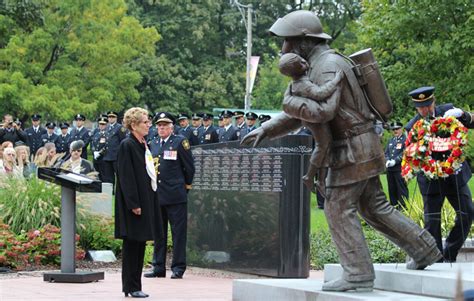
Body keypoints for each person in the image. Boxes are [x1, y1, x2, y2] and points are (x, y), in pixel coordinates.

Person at [241, 10, 442, 292]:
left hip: (351, 149)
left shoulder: (325, 66)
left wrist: (282, 114)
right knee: (374, 206)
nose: (284, 48)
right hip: (362, 145)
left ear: (304, 41)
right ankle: (424, 249)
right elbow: (307, 110)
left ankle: (357, 273)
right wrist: (268, 128)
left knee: (337, 208)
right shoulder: (326, 62)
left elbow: (320, 113)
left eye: (287, 41)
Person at [405, 86, 473, 263]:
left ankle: (450, 251)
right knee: (432, 223)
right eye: (421, 107)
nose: (425, 110)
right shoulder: (413, 126)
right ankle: (436, 260)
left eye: (427, 105)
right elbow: (411, 154)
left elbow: (471, 122)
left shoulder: (447, 111)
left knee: (468, 212)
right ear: (416, 107)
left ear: (433, 101)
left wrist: (462, 115)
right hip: (431, 179)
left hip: (454, 176)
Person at [278, 52, 343, 194]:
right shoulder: (303, 84)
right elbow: (320, 93)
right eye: (301, 63)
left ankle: (320, 180)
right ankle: (309, 176)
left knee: (326, 144)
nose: (304, 62)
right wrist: (336, 80)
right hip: (314, 119)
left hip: (310, 117)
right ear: (296, 70)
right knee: (322, 145)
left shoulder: (294, 84)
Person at [114, 107, 163, 298]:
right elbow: (126, 176)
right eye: (145, 122)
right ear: (134, 125)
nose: (148, 124)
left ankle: (136, 285)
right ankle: (131, 286)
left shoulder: (142, 143)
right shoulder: (128, 145)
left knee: (140, 243)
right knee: (132, 245)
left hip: (145, 199)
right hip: (133, 205)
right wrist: (134, 203)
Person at [145, 112, 195, 279]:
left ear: (172, 127)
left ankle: (178, 267)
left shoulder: (180, 142)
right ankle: (158, 267)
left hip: (175, 195)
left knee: (178, 233)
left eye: (165, 125)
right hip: (158, 195)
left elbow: (189, 168)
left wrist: (185, 187)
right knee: (159, 233)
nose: (161, 128)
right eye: (159, 125)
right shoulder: (153, 143)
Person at [384, 121, 408, 208]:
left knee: (401, 189)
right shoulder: (391, 140)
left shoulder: (405, 139)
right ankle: (394, 207)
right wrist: (387, 160)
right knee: (392, 189)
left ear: (401, 129)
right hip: (390, 169)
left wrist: (395, 161)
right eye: (393, 129)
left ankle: (403, 207)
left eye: (397, 129)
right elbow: (386, 153)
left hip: (399, 169)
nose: (395, 131)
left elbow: (405, 152)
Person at [103, 111, 126, 186]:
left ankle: (119, 191)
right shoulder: (107, 127)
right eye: (109, 117)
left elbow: (122, 141)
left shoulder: (120, 128)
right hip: (107, 155)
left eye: (113, 117)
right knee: (108, 176)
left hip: (116, 156)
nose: (111, 119)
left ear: (116, 118)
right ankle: (110, 191)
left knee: (119, 175)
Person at [91, 116, 109, 181]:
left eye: (103, 124)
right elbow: (92, 144)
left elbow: (107, 146)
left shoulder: (108, 134)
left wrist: (100, 153)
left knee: (104, 175)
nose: (101, 126)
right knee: (96, 175)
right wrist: (94, 152)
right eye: (100, 124)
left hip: (103, 158)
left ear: (106, 125)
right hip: (95, 158)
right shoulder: (96, 134)